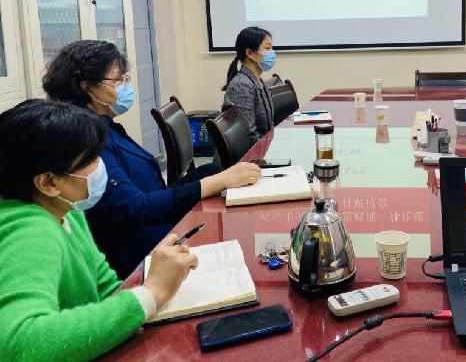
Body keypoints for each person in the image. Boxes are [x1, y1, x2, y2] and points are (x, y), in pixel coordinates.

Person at [43, 40, 261, 278]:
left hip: (159, 230)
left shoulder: (105, 125)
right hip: (141, 257)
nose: (126, 87)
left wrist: (216, 177)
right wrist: (218, 182)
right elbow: (136, 207)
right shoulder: (86, 139)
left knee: (213, 172)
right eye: (117, 81)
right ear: (87, 88)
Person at [0, 100, 198, 361]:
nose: (101, 166)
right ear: (48, 183)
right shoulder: (29, 231)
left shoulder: (68, 210)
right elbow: (18, 343)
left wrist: (157, 287)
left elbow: (105, 290)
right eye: (91, 160)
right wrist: (151, 293)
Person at [222, 26, 276, 143]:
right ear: (250, 53)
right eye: (267, 48)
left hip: (265, 144)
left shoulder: (257, 80)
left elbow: (268, 125)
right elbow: (249, 136)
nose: (272, 52)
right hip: (252, 152)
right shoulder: (241, 86)